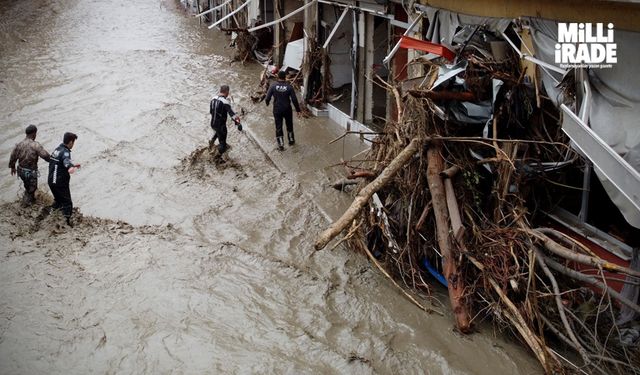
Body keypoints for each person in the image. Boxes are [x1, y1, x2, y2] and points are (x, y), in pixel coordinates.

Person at [8, 124, 51, 206]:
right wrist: (53, 162)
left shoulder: (19, 144)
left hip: (21, 171)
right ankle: (27, 205)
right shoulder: (35, 145)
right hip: (31, 172)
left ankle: (28, 200)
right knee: (32, 189)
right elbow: (45, 156)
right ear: (34, 133)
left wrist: (12, 167)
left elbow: (13, 157)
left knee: (27, 186)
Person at [48, 132, 80, 226]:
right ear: (70, 142)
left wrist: (73, 165)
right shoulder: (66, 152)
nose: (73, 145)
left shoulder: (56, 150)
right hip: (60, 183)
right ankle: (66, 224)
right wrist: (70, 167)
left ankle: (50, 215)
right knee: (67, 203)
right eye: (73, 142)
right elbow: (66, 161)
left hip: (51, 182)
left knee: (58, 201)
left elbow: (59, 163)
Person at [265, 70, 301, 151]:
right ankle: (291, 141)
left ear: (278, 77)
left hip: (277, 109)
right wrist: (298, 110)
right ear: (285, 77)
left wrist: (267, 103)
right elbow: (294, 100)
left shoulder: (273, 86)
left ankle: (281, 145)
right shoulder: (289, 87)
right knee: (289, 125)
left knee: (278, 127)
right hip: (287, 109)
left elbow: (267, 98)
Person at [210, 85, 242, 154]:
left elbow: (211, 112)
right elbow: (232, 115)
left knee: (217, 132)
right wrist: (238, 123)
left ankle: (211, 143)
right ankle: (218, 158)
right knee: (223, 143)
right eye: (228, 92)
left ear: (220, 91)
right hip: (221, 126)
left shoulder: (213, 99)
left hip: (212, 124)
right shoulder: (225, 102)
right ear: (227, 92)